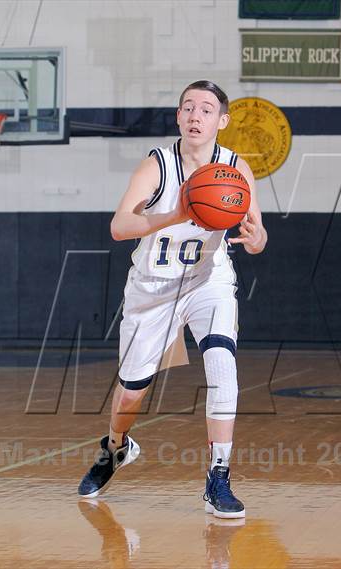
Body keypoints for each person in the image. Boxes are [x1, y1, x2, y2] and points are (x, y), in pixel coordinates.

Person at [78, 80, 268, 518]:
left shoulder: (236, 170)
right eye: (187, 107)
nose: (195, 115)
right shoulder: (157, 165)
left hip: (208, 281)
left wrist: (257, 238)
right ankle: (115, 448)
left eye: (205, 109)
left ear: (222, 120)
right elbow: (120, 226)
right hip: (152, 289)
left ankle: (218, 476)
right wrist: (176, 214)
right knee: (130, 394)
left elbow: (256, 238)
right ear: (179, 117)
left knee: (223, 366)